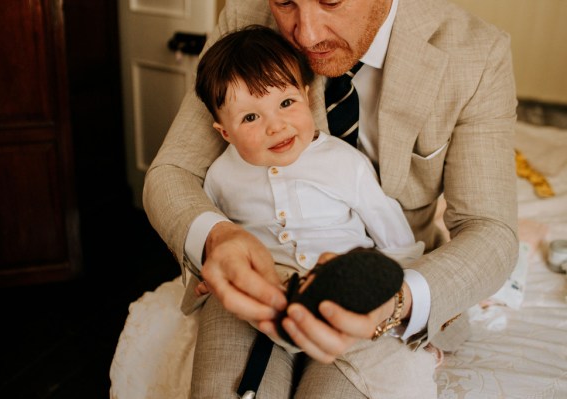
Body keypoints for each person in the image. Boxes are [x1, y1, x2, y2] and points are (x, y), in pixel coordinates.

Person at [143, 0, 518, 397]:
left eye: (331, 1)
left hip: (378, 282)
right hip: (261, 280)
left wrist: (396, 300)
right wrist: (217, 239)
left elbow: (490, 228)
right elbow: (174, 172)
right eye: (285, 2)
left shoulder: (477, 54)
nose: (305, 35)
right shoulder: (245, 18)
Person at [191, 25, 434, 397]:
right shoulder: (222, 176)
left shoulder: (343, 162)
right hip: (265, 296)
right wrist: (204, 274)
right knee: (242, 383)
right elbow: (213, 237)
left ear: (306, 96)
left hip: (337, 288)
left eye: (286, 103)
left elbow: (391, 231)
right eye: (250, 118)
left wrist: (400, 302)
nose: (276, 126)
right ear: (224, 132)